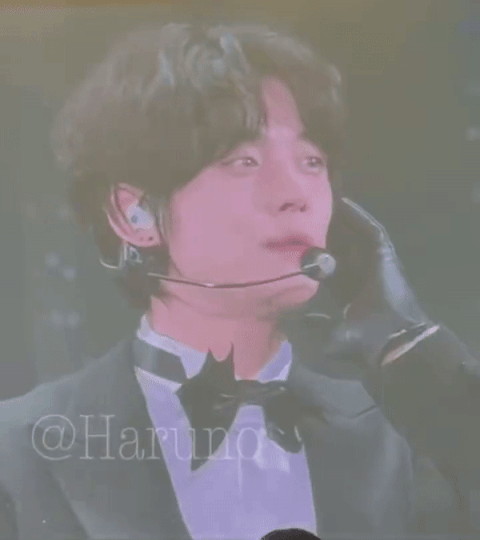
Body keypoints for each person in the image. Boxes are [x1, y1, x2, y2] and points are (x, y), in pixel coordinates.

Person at [0, 21, 479, 540]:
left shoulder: (399, 433)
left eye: (311, 161)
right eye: (244, 160)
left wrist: (407, 340)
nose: (295, 193)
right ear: (134, 213)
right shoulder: (19, 446)